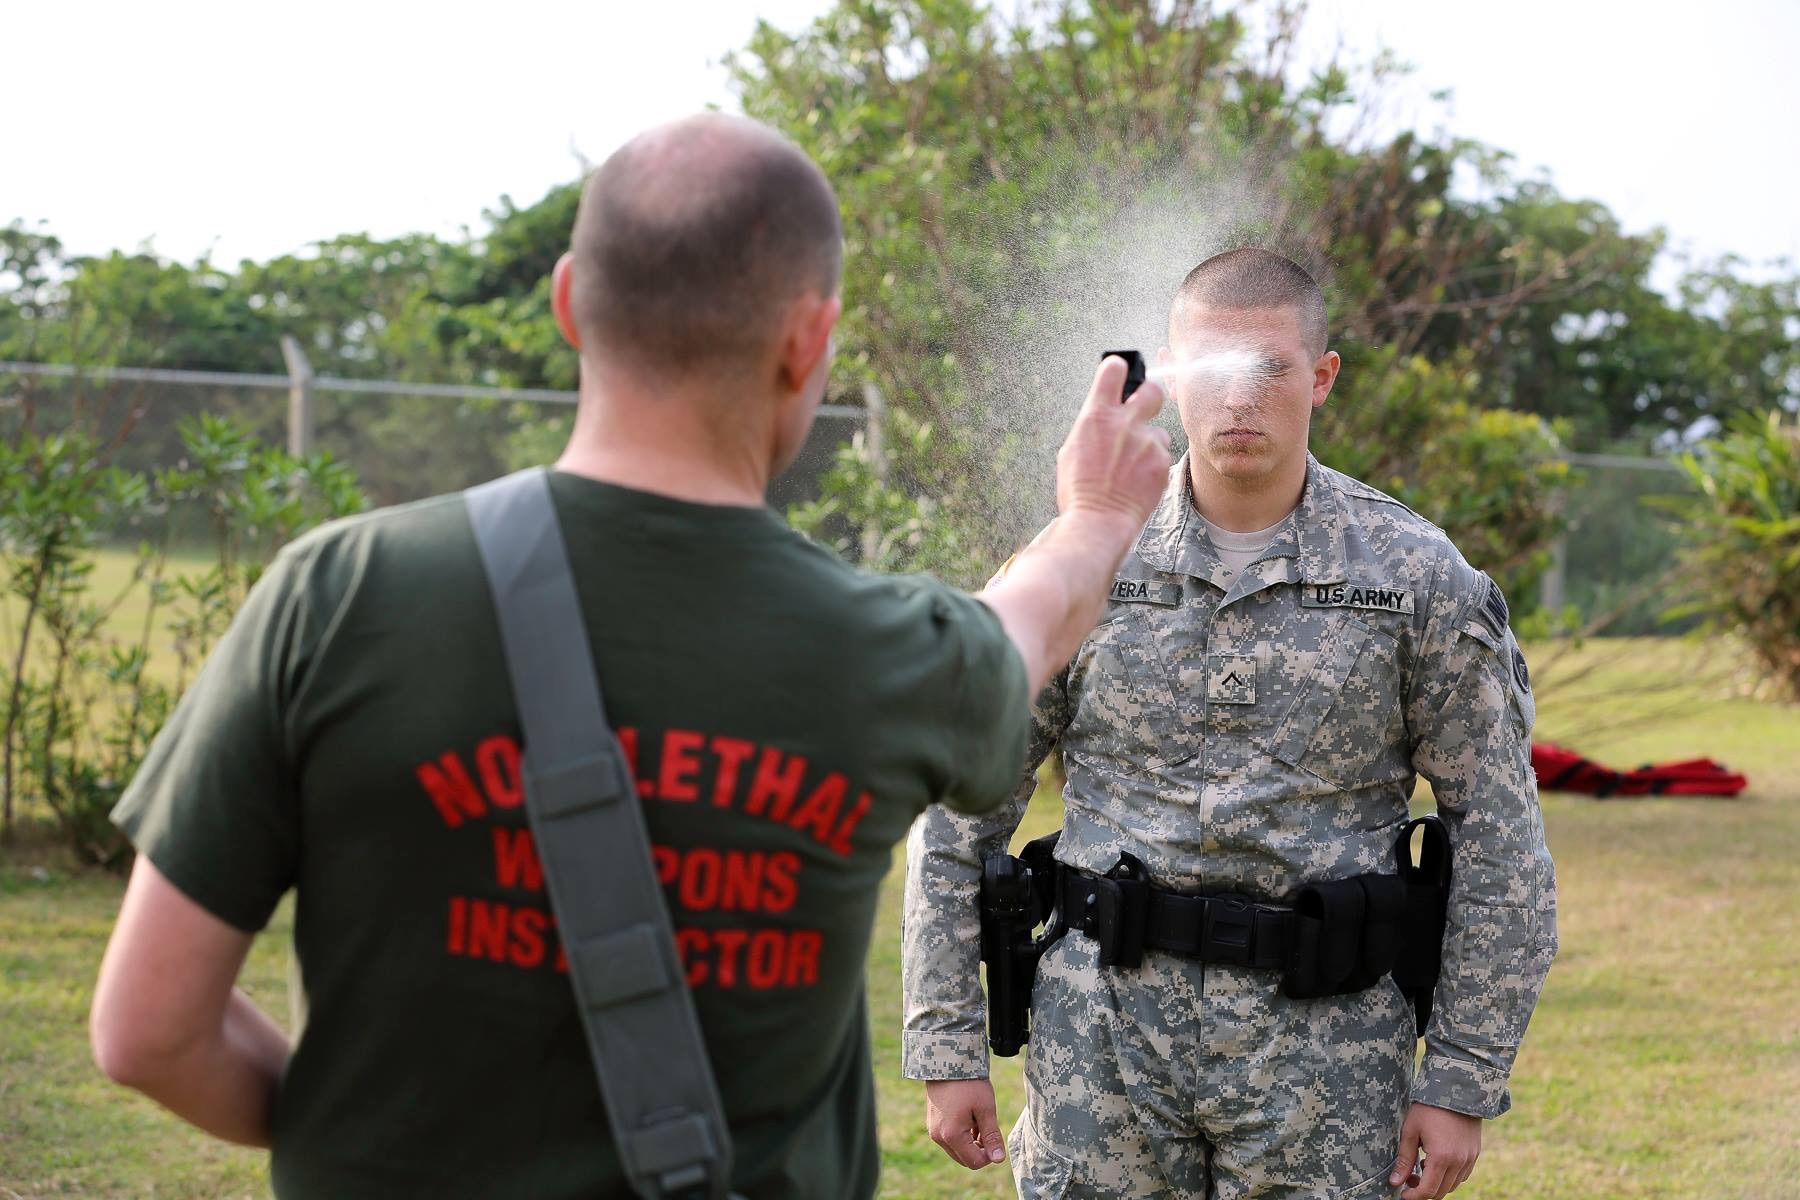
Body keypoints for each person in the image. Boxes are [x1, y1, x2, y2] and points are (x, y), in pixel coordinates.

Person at [88, 113, 1172, 1199]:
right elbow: (1029, 618)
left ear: (567, 302)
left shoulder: (336, 592)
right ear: (809, 337)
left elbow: (147, 1032)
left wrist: (370, 1135)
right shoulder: (888, 651)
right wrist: (1094, 514)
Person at [902, 248, 1558, 1200]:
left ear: (1323, 377)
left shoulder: (1416, 578)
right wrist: (946, 1039)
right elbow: (961, 802)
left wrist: (1460, 1079)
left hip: (1328, 1064)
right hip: (1103, 1050)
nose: (1240, 400)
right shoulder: (1083, 560)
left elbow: (1499, 839)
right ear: (1169, 377)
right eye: (1214, 368)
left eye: (1273, 368)